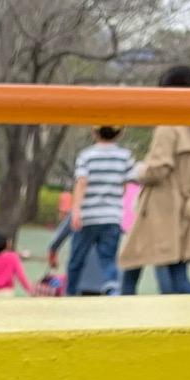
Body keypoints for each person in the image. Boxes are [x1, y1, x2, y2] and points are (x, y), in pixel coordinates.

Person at [118, 65, 190, 294]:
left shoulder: (168, 128)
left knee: (137, 270)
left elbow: (158, 170)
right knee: (175, 273)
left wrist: (138, 171)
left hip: (160, 208)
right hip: (189, 208)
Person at [66, 125, 136, 295]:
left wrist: (76, 210)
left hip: (88, 216)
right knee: (108, 258)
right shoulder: (125, 156)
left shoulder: (86, 156)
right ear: (120, 132)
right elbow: (126, 184)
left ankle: (70, 292)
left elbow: (81, 183)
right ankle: (112, 289)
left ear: (94, 131)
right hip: (112, 216)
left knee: (77, 259)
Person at [0, 228, 35, 297]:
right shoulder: (13, 257)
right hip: (8, 293)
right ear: (5, 244)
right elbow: (21, 276)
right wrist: (31, 291)